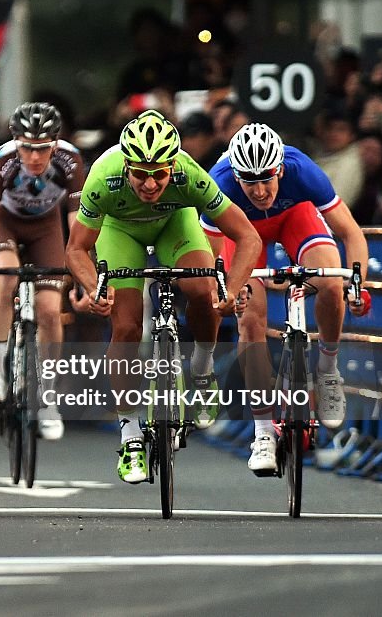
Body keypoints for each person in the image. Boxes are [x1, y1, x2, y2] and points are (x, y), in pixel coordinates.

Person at [66, 110, 260, 484]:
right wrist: (95, 288)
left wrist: (231, 289)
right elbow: (76, 250)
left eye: (160, 174)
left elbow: (248, 236)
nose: (151, 183)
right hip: (120, 232)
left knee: (202, 291)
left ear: (174, 166)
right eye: (140, 173)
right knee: (124, 327)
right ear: (126, 166)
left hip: (175, 224)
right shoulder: (104, 177)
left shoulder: (190, 175)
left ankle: (203, 370)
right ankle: (130, 434)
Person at [202, 123, 371, 476]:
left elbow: (351, 233)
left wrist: (357, 285)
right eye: (250, 182)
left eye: (267, 179)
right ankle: (263, 433)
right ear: (236, 175)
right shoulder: (218, 183)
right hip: (241, 231)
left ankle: (327, 370)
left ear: (280, 168)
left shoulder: (302, 170)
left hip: (294, 218)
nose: (261, 191)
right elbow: (211, 257)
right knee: (250, 319)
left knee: (331, 280)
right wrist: (228, 291)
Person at [0, 102, 84, 441]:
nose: (34, 157)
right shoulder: (2, 162)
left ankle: (49, 400)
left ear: (55, 144)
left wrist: (80, 272)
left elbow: (77, 226)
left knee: (50, 311)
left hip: (46, 229)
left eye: (42, 149)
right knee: (5, 278)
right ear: (15, 142)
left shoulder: (71, 162)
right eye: (26, 147)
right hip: (6, 227)